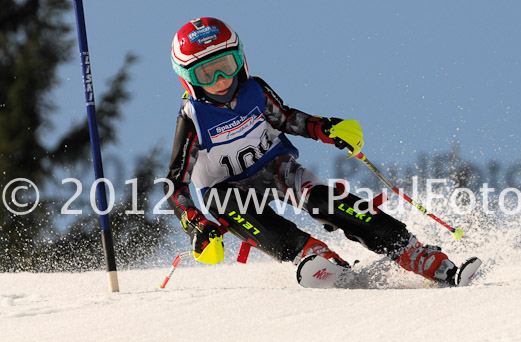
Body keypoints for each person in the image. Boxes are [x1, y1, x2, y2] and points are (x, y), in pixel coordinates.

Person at [165, 17, 460, 286]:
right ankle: (315, 255)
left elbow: (287, 118)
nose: (220, 80)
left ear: (240, 60)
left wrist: (327, 129)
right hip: (224, 188)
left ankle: (413, 252)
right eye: (206, 74)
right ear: (187, 78)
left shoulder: (254, 90)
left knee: (325, 200)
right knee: (230, 205)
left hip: (274, 168)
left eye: (226, 66)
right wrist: (194, 223)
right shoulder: (193, 117)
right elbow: (175, 184)